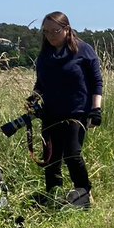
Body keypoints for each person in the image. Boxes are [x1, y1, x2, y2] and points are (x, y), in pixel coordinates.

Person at [32, 11, 104, 209]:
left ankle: (84, 192)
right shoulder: (45, 55)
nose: (50, 36)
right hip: (50, 113)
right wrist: (34, 98)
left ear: (67, 29)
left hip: (77, 112)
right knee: (51, 157)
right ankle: (53, 195)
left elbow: (96, 82)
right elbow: (40, 84)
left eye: (55, 31)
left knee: (73, 154)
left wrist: (96, 109)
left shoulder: (83, 50)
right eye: (46, 32)